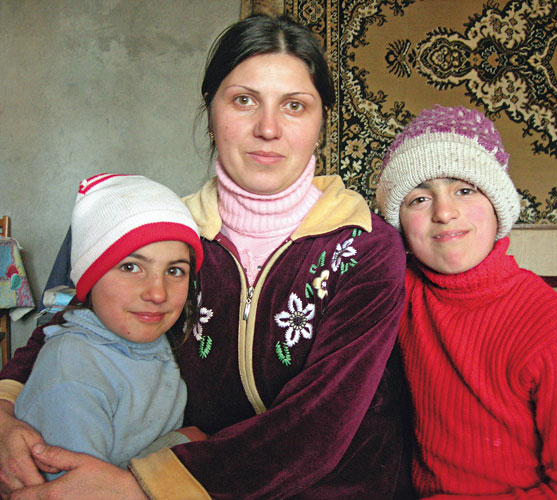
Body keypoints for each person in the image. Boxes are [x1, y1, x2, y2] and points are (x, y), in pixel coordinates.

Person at [0, 14, 413, 500]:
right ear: (211, 110)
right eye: (244, 100)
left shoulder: (365, 246)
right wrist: (3, 410)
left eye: (295, 106)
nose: (267, 128)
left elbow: (319, 424)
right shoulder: (170, 234)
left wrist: (138, 488)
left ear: (322, 120)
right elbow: (73, 322)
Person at [375, 105, 557, 499]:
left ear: (497, 206)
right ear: (398, 223)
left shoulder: (556, 331)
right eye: (419, 199)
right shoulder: (400, 291)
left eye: (464, 190)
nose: (444, 213)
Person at [14, 173, 205, 480]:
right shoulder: (73, 375)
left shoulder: (152, 341)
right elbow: (82, 489)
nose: (157, 293)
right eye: (131, 267)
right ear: (90, 277)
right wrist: (182, 444)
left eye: (174, 270)